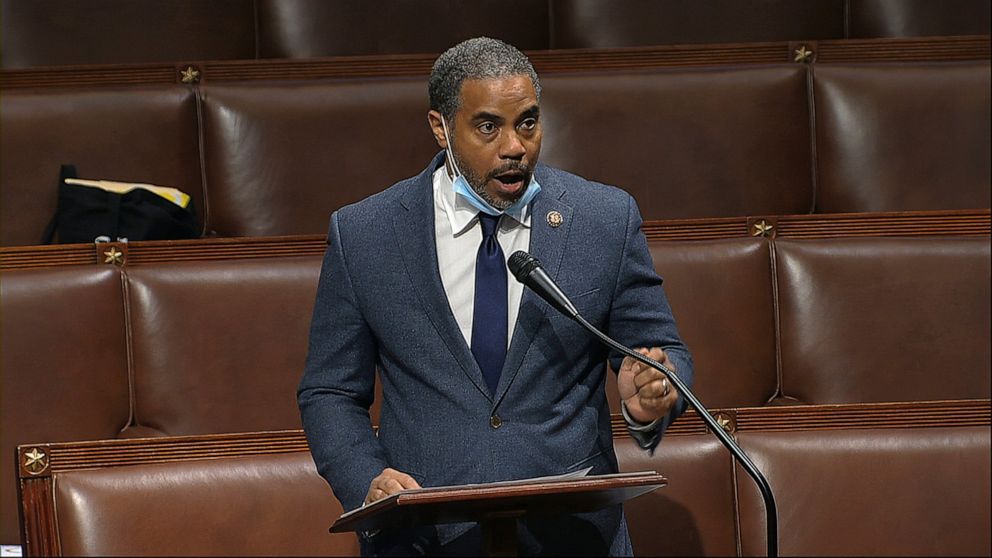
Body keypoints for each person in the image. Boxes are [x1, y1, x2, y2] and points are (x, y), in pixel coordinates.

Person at [299, 37, 693, 556]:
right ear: (441, 128)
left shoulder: (603, 220)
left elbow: (663, 352)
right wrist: (366, 478)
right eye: (488, 126)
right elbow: (329, 392)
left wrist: (652, 397)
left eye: (527, 122)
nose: (514, 147)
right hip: (426, 540)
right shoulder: (366, 234)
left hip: (572, 538)